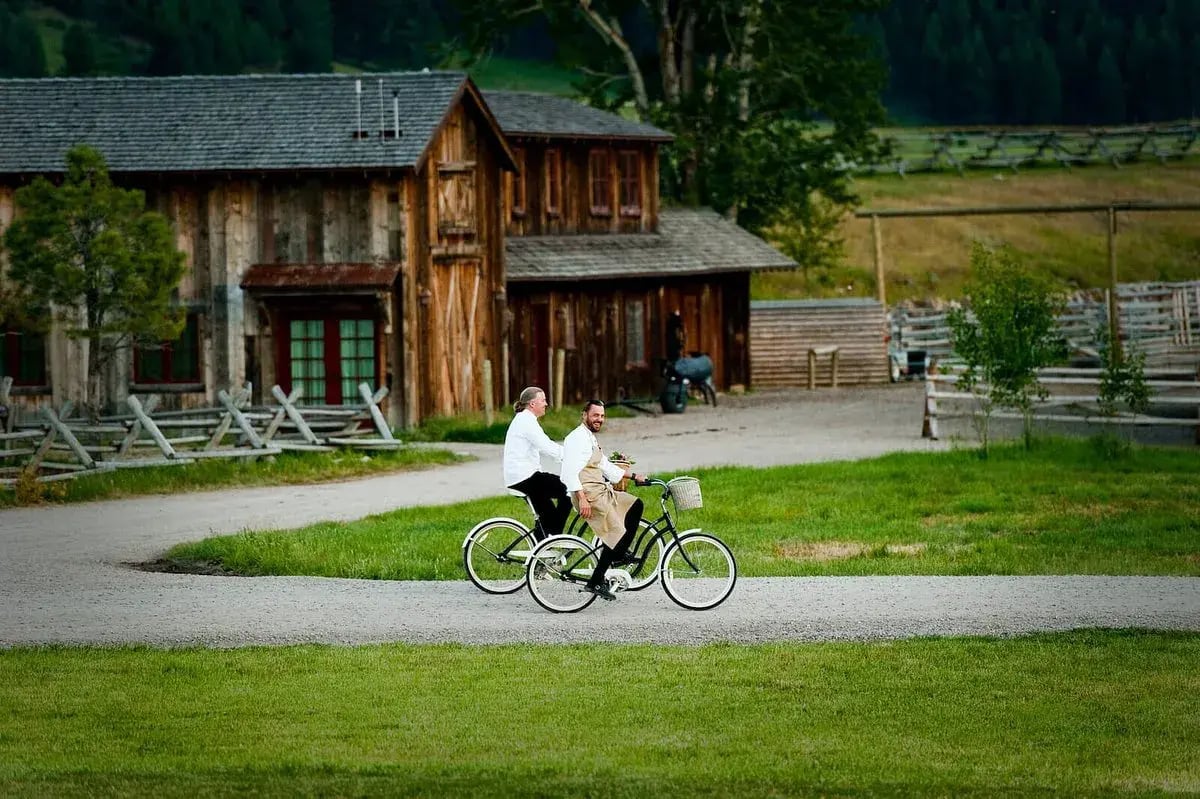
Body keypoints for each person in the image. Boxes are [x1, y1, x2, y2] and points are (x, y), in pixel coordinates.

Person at [560, 399, 647, 601]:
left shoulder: (589, 437)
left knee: (635, 505)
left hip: (598, 489)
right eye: (595, 415)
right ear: (584, 415)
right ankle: (596, 581)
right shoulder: (576, 439)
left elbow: (605, 466)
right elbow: (568, 473)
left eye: (602, 416)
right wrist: (581, 499)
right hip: (588, 494)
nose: (599, 419)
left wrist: (633, 477)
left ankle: (619, 552)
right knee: (615, 531)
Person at [503, 386, 570, 539]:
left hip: (524, 476)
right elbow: (547, 446)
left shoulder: (525, 419)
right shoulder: (526, 422)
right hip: (526, 478)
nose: (546, 403)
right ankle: (555, 539)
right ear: (532, 404)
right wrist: (572, 456)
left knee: (547, 517)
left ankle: (545, 543)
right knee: (569, 489)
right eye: (543, 400)